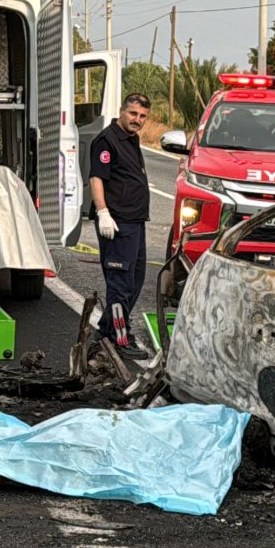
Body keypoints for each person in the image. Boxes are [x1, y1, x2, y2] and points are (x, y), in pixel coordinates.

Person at [88, 92, 153, 359]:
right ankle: (118, 338)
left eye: (143, 117)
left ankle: (106, 329)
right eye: (133, 114)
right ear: (122, 111)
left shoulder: (131, 139)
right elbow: (96, 178)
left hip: (135, 222)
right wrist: (103, 212)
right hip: (117, 223)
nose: (137, 120)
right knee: (120, 283)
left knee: (135, 279)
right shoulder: (107, 140)